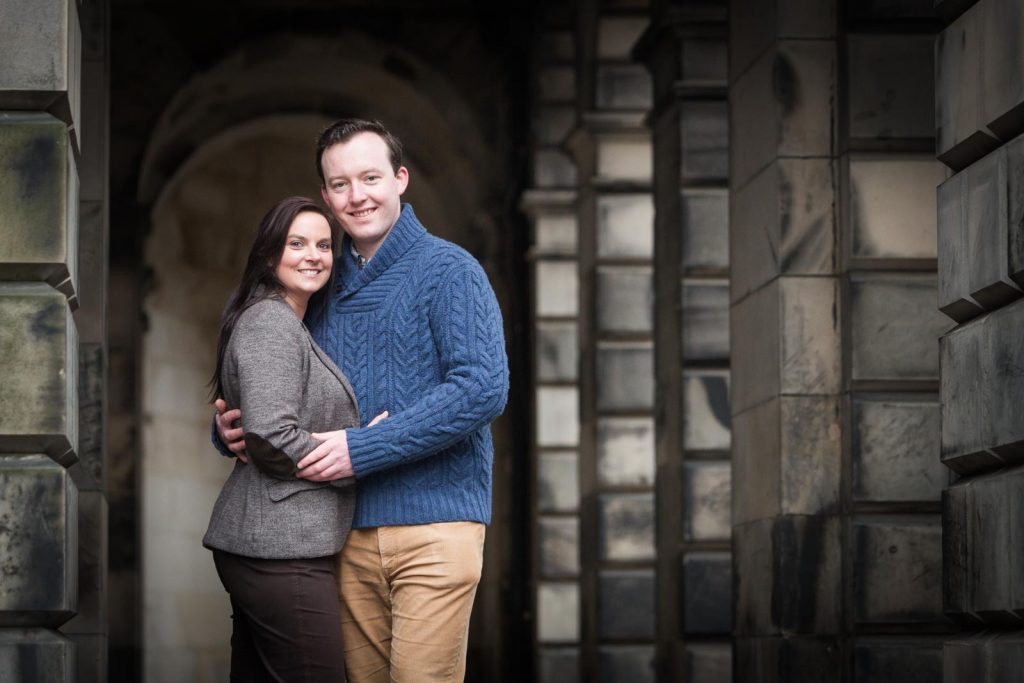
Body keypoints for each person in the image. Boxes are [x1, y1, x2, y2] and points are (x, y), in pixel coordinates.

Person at [215, 119, 509, 683]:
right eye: (341, 184)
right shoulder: (319, 283)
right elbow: (275, 380)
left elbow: (482, 387)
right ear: (326, 196)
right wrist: (231, 428)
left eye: (370, 177)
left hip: (436, 526)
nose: (358, 196)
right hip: (340, 536)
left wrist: (364, 447)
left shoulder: (451, 271)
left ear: (400, 179)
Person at [204, 196, 361, 682]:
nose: (313, 254)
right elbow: (272, 434)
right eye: (297, 243)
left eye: (323, 244)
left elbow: (261, 419)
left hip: (271, 545)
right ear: (270, 254)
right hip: (279, 548)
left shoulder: (289, 322)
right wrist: (357, 454)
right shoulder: (271, 321)